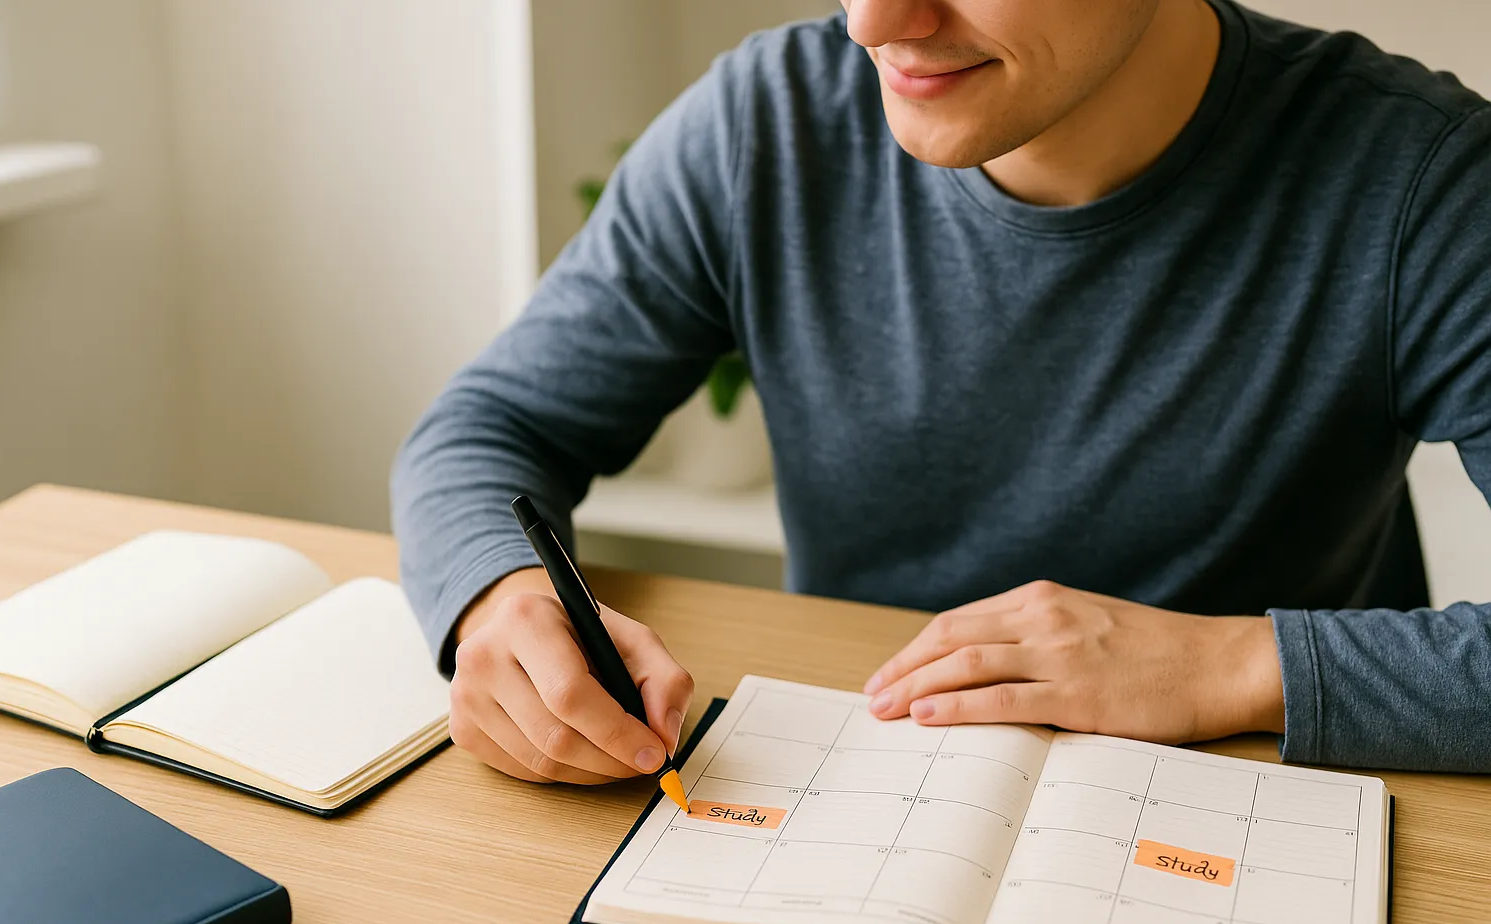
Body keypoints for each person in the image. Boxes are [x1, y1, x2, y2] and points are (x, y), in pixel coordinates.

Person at [391, 0, 1491, 786]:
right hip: (871, 802)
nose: (874, 22)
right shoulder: (764, 126)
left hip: (1265, 819)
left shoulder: (1424, 182)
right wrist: (499, 599)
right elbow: (491, 428)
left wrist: (1232, 665)